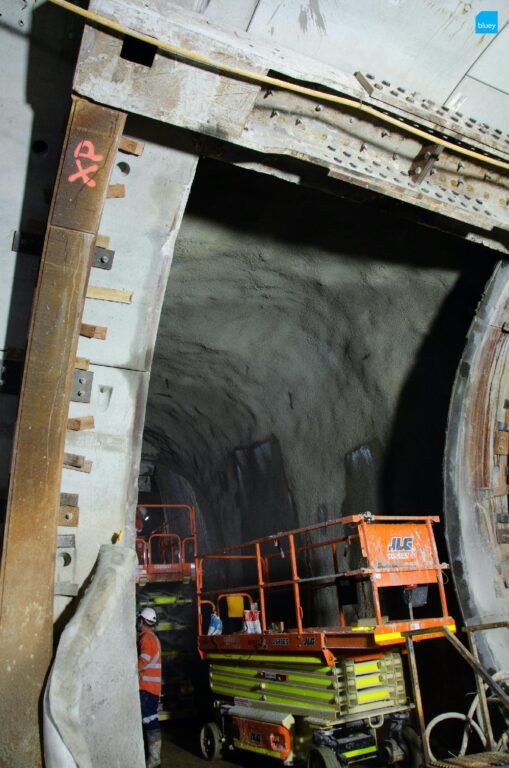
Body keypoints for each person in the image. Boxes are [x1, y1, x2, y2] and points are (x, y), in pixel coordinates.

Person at [137, 607, 162, 768]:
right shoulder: (153, 637)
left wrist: (126, 670)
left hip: (146, 688)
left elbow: (143, 661)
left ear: (142, 621)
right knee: (151, 720)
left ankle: (153, 760)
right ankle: (154, 759)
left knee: (149, 721)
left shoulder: (146, 639)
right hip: (152, 688)